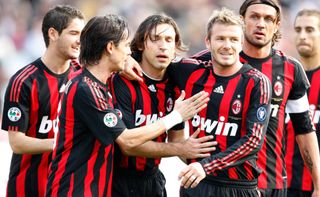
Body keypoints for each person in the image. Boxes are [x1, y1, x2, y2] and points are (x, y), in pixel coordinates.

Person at [45, 14, 210, 197]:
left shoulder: (95, 82)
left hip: (132, 182)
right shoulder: (90, 88)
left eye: (169, 40)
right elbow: (127, 141)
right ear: (110, 48)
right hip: (78, 188)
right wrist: (176, 117)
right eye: (125, 46)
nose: (129, 52)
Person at [192, 0, 320, 197]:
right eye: (254, 17)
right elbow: (166, 68)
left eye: (268, 19)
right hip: (226, 183)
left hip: (273, 182)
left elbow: (304, 130)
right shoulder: (217, 58)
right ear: (242, 21)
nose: (261, 24)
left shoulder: (290, 69)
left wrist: (318, 185)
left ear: (277, 25)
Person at [109, 13, 217, 197]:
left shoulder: (175, 84)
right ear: (141, 45)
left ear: (175, 47)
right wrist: (181, 148)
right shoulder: (122, 80)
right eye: (155, 39)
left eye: (169, 40)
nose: (163, 46)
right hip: (117, 180)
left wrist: (208, 167)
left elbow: (176, 140)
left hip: (153, 180)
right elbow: (127, 145)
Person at [1, 5, 85, 197]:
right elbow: (17, 143)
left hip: (67, 187)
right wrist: (64, 142)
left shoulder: (82, 76)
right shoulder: (24, 81)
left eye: (82, 33)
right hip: (28, 188)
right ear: (53, 33)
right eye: (73, 33)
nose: (80, 40)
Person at [285, 9, 320, 197]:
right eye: (298, 30)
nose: (302, 36)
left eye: (309, 29)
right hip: (281, 185)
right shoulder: (284, 78)